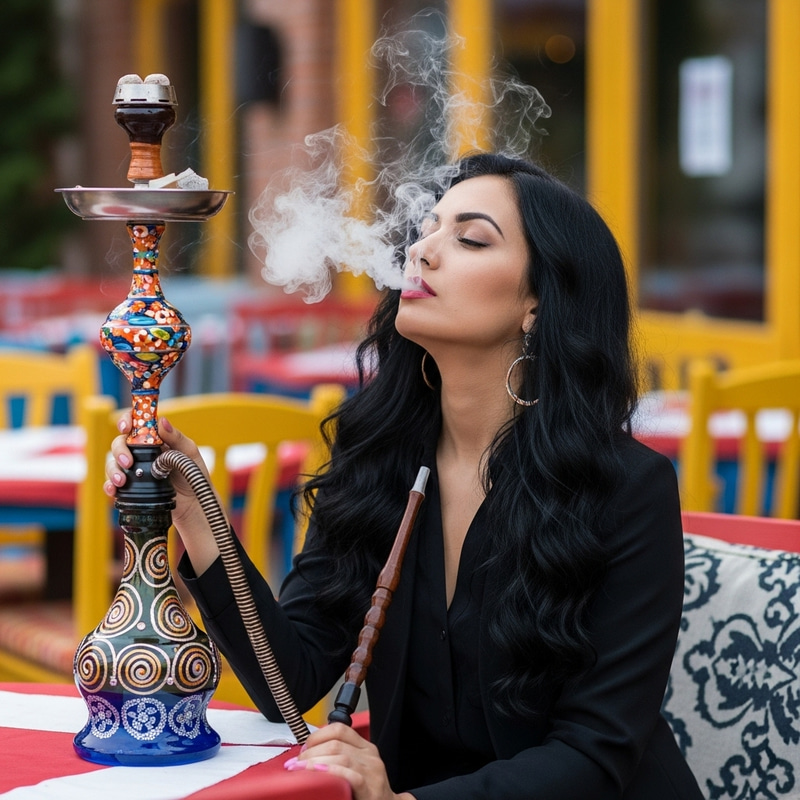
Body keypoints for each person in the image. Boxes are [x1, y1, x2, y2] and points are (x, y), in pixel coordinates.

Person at [105, 153, 703, 799]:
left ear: (537, 303)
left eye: (470, 238)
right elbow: (292, 680)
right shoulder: (382, 458)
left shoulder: (626, 489)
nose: (423, 251)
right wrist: (197, 511)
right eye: (426, 229)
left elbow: (595, 753)